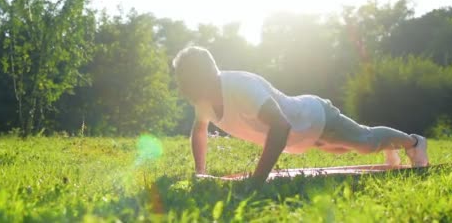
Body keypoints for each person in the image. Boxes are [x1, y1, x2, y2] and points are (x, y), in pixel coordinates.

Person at [173, 46, 429, 187]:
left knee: (366, 142)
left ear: (203, 76)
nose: (184, 88)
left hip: (314, 117)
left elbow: (281, 126)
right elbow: (199, 130)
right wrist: (200, 171)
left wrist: (257, 180)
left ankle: (414, 143)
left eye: (186, 80)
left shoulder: (239, 86)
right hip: (301, 138)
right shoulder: (204, 100)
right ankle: (391, 151)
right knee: (345, 149)